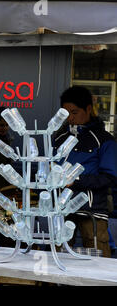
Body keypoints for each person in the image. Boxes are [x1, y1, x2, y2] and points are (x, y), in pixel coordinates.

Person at [54, 86, 117, 257]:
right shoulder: (59, 139)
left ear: (88, 109)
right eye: (66, 114)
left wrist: (77, 180)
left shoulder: (104, 140)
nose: (70, 119)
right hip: (61, 209)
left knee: (98, 259)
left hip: (92, 210)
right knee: (58, 256)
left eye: (74, 113)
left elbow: (110, 178)